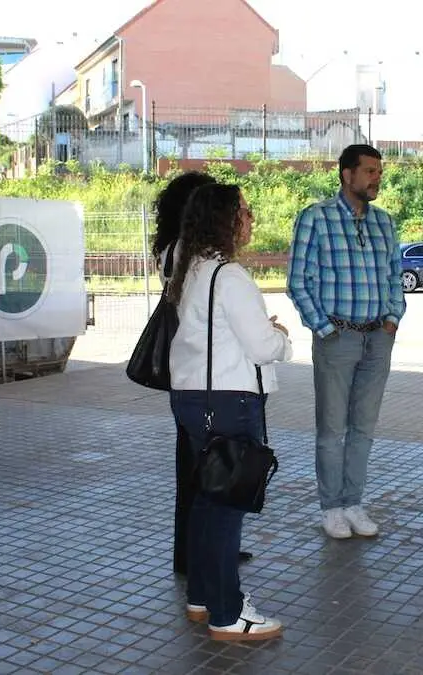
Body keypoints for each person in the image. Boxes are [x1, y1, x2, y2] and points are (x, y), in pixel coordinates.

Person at [167, 183, 292, 641]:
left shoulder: (192, 268)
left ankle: (201, 597)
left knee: (207, 500)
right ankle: (227, 613)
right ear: (226, 219)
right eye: (245, 209)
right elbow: (261, 345)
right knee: (226, 508)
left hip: (194, 397)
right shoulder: (229, 275)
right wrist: (282, 337)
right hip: (230, 401)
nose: (251, 217)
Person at [285, 144, 405, 540]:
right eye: (369, 171)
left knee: (364, 428)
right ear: (346, 174)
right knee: (331, 428)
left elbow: (393, 277)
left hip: (377, 339)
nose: (376, 178)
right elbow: (298, 281)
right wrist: (323, 328)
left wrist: (392, 318)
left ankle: (353, 502)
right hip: (337, 338)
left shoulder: (385, 223)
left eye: (379, 171)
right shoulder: (315, 218)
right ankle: (331, 508)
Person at [151, 171, 257, 576]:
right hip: (203, 373)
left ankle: (200, 552)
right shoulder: (190, 255)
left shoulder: (179, 251)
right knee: (202, 472)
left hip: (190, 374)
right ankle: (199, 555)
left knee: (198, 467)